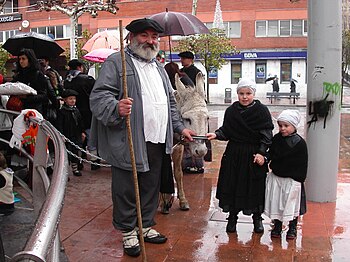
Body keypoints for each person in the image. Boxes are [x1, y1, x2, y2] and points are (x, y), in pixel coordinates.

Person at [89, 18, 195, 257]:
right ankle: (128, 231)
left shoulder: (158, 66)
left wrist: (179, 128)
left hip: (157, 137)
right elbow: (99, 96)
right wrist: (116, 107)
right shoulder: (116, 63)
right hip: (130, 138)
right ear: (131, 38)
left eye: (154, 37)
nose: (150, 41)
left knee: (150, 184)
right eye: (145, 36)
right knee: (127, 187)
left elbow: (169, 102)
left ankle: (145, 225)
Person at [206, 78, 274, 234]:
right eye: (241, 93)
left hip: (254, 154)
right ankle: (232, 217)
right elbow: (227, 131)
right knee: (233, 183)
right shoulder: (231, 111)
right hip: (234, 153)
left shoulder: (262, 111)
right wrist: (216, 135)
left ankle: (257, 218)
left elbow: (266, 134)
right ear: (237, 94)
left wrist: (262, 152)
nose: (245, 97)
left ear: (254, 94)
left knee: (255, 186)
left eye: (248, 93)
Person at [264, 109, 308, 240]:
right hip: (277, 177)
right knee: (277, 202)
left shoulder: (300, 143)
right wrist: (265, 158)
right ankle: (277, 225)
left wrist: (299, 179)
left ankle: (292, 226)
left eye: (286, 126)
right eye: (280, 125)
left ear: (294, 126)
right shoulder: (277, 139)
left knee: (291, 204)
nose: (282, 128)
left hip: (292, 180)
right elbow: (271, 153)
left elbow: (303, 163)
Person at [64, 59, 97, 170]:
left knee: (77, 136)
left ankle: (79, 159)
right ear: (79, 67)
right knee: (91, 135)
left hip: (72, 112)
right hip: (88, 112)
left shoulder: (67, 81)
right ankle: (94, 160)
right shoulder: (87, 79)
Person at [56, 89, 85, 177]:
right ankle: (66, 172)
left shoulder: (76, 110)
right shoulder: (62, 112)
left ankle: (75, 169)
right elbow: (59, 124)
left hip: (76, 134)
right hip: (67, 134)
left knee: (75, 152)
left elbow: (80, 122)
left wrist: (82, 132)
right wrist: (61, 135)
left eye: (74, 99)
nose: (73, 101)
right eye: (70, 99)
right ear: (65, 100)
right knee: (67, 154)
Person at [11, 48, 48, 116]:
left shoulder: (38, 75)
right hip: (19, 111)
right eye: (19, 59)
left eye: (23, 59)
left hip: (33, 112)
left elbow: (44, 95)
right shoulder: (18, 75)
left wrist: (27, 97)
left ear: (30, 60)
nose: (21, 61)